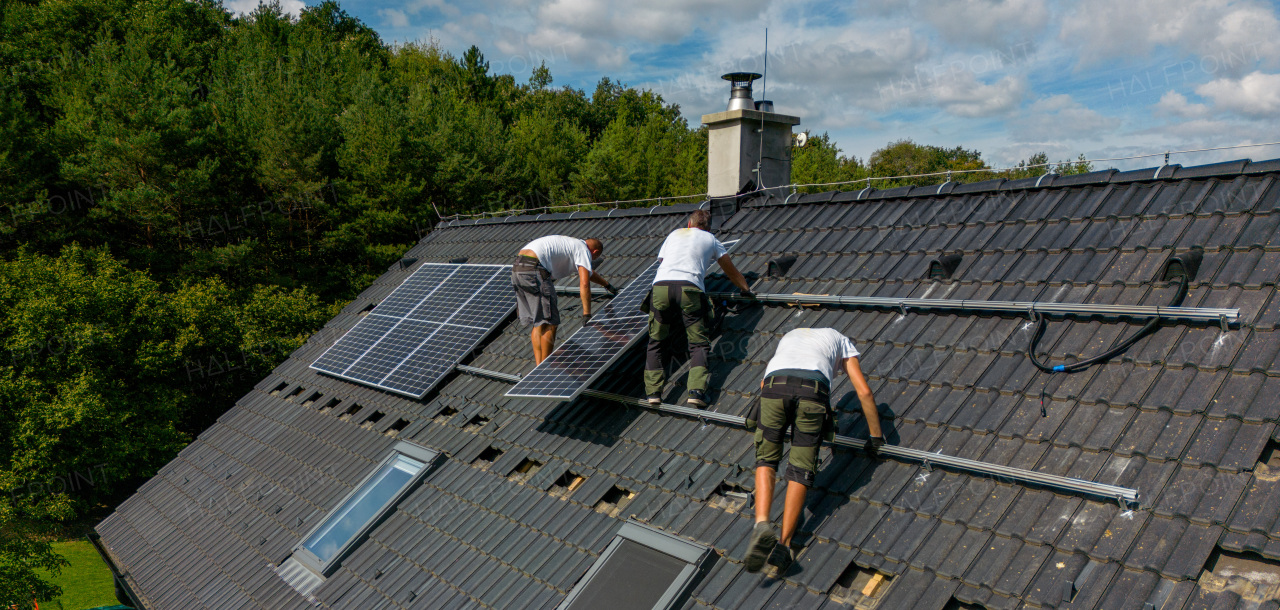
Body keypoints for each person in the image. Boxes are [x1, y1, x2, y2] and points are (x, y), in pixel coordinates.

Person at [743, 327, 886, 573]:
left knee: (766, 458)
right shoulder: (842, 341)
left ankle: (762, 523)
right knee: (800, 469)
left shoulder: (789, 335)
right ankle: (783, 545)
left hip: (773, 386)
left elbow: (765, 380)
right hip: (812, 391)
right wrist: (875, 437)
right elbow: (864, 391)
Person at [644, 209, 752, 407]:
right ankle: (695, 392)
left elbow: (662, 261)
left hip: (660, 287)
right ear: (708, 227)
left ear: (688, 224)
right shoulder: (711, 239)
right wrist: (745, 288)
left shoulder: (673, 234)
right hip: (690, 288)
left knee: (657, 340)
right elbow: (730, 270)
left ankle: (653, 393)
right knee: (698, 343)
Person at [512, 236, 617, 364]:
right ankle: (544, 368)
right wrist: (587, 313)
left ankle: (538, 366)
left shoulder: (572, 245)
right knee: (550, 322)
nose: (590, 261)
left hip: (518, 267)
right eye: (593, 258)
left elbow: (589, 274)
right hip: (535, 270)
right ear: (594, 252)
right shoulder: (583, 249)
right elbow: (584, 283)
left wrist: (607, 285)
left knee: (539, 322)